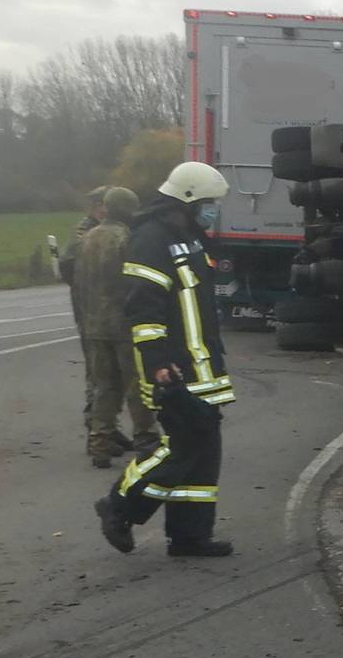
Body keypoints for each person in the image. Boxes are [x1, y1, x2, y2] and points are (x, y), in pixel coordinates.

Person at [93, 162, 236, 558]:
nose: (212, 211)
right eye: (208, 204)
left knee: (204, 452)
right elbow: (143, 308)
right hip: (172, 367)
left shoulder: (188, 238)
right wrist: (157, 361)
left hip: (202, 365)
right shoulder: (151, 240)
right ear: (187, 202)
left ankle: (190, 536)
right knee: (183, 447)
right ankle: (119, 504)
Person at [71, 187, 156, 468]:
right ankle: (146, 439)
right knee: (136, 384)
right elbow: (135, 282)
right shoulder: (127, 239)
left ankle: (100, 444)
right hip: (123, 324)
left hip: (93, 324)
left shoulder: (86, 238)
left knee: (103, 386)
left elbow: (73, 275)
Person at [57, 186, 109, 326]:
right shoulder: (86, 231)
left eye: (106, 205)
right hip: (91, 302)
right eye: (98, 206)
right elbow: (67, 263)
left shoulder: (117, 229)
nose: (102, 210)